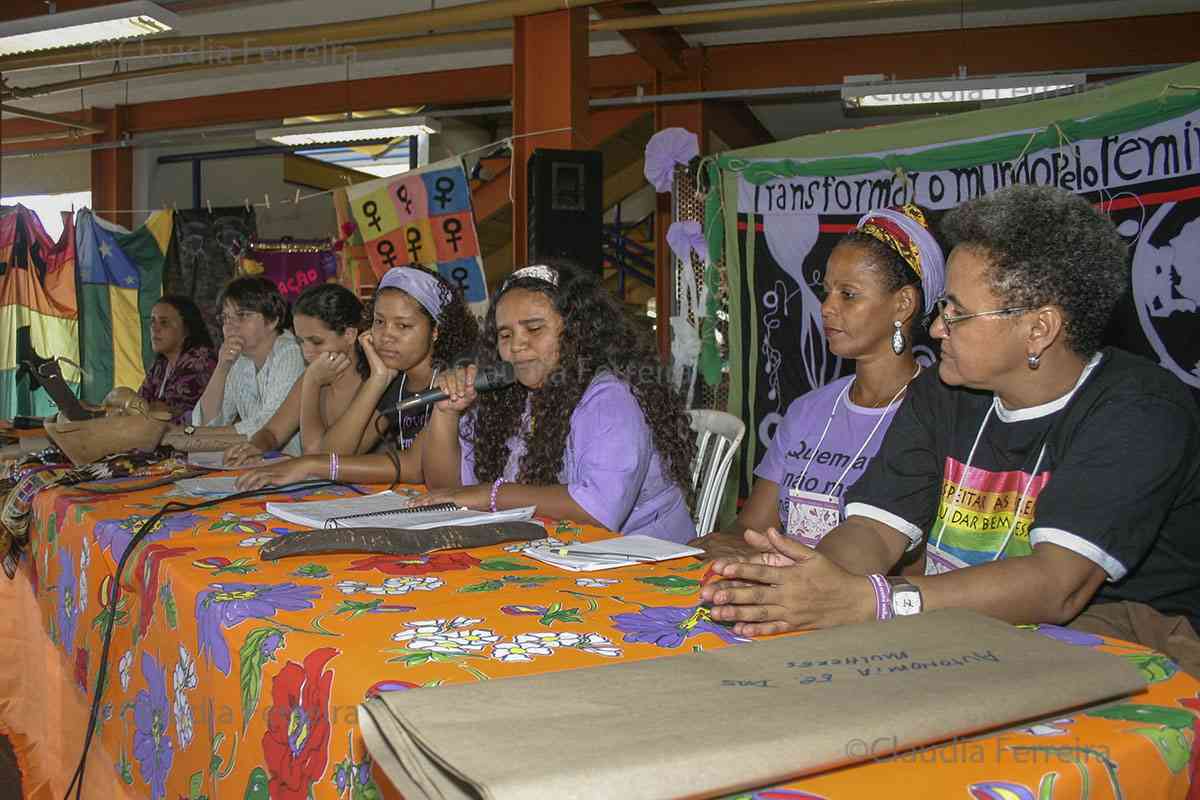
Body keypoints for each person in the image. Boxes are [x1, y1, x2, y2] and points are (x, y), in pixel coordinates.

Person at [701, 184, 1200, 677]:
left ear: (1039, 329)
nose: (937, 328)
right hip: (964, 637)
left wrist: (873, 599)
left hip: (1124, 647)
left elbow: (1057, 586)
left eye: (957, 312)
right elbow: (873, 530)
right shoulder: (942, 394)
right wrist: (810, 583)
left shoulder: (1140, 411)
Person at [697, 204, 944, 561]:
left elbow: (912, 568)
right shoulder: (809, 411)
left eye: (848, 294)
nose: (826, 307)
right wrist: (726, 547)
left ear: (903, 304)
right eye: (826, 291)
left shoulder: (935, 415)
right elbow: (749, 528)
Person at [417, 261, 698, 543]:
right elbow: (446, 491)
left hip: (646, 566)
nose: (516, 345)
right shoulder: (509, 398)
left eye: (535, 329)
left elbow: (597, 510)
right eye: (505, 335)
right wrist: (446, 412)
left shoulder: (610, 398)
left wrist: (493, 494)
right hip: (565, 556)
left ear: (578, 331)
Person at [233, 265, 478, 487]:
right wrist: (377, 379)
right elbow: (335, 453)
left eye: (403, 326)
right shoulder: (397, 380)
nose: (386, 335)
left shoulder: (452, 377)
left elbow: (416, 467)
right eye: (379, 322)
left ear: (436, 330)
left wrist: (311, 465)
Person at [222, 283, 367, 465]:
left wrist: (312, 382)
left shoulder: (370, 381)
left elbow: (316, 455)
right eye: (301, 341)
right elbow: (273, 432)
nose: (307, 352)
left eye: (316, 342)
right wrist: (254, 447)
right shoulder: (314, 373)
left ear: (349, 335)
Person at [190, 276, 305, 454]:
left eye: (243, 315)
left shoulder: (290, 353)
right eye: (226, 317)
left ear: (272, 320)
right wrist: (222, 368)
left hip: (296, 466)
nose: (231, 325)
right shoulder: (239, 360)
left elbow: (269, 423)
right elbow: (205, 423)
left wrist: (190, 436)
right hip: (257, 464)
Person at [137, 295, 217, 424]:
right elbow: (138, 405)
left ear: (186, 328)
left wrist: (150, 409)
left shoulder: (200, 361)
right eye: (152, 321)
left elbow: (173, 419)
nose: (154, 328)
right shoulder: (161, 363)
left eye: (164, 322)